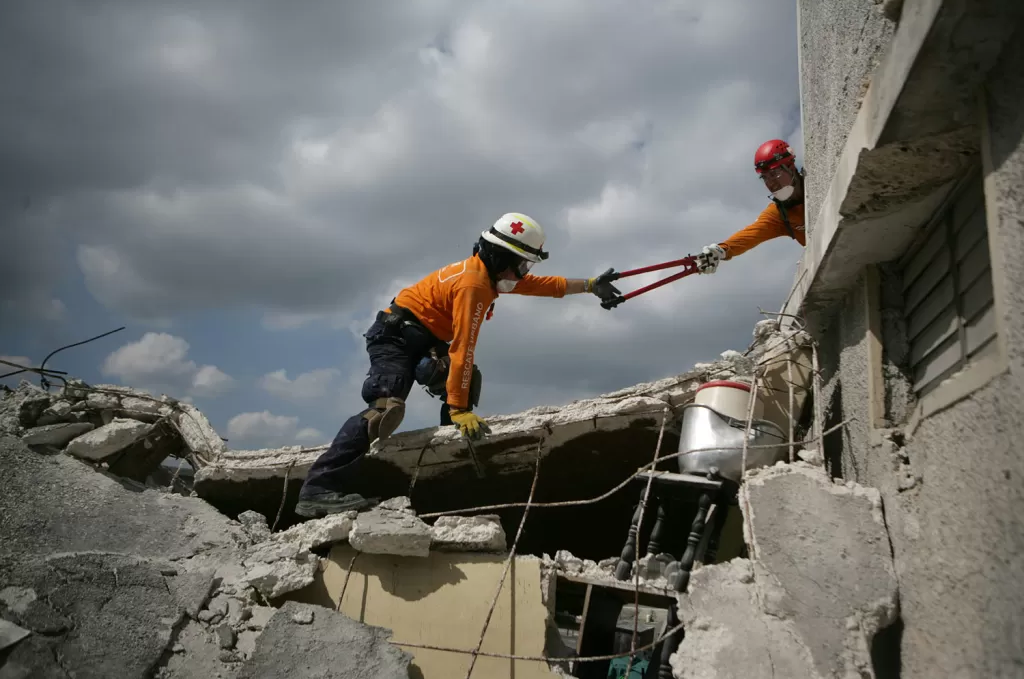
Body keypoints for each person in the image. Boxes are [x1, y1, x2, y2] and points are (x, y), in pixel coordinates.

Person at [294, 212, 622, 518]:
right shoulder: (474, 286)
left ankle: (446, 460)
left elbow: (545, 286)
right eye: (522, 265)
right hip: (393, 337)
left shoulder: (491, 273)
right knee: (384, 410)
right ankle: (318, 489)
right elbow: (463, 350)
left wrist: (591, 285)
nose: (524, 273)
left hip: (423, 338)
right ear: (502, 258)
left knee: (464, 383)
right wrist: (458, 408)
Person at [695, 139, 807, 274]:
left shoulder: (816, 182)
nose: (770, 183)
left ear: (790, 167)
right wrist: (720, 251)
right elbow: (750, 235)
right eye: (764, 178)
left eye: (774, 174)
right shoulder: (778, 214)